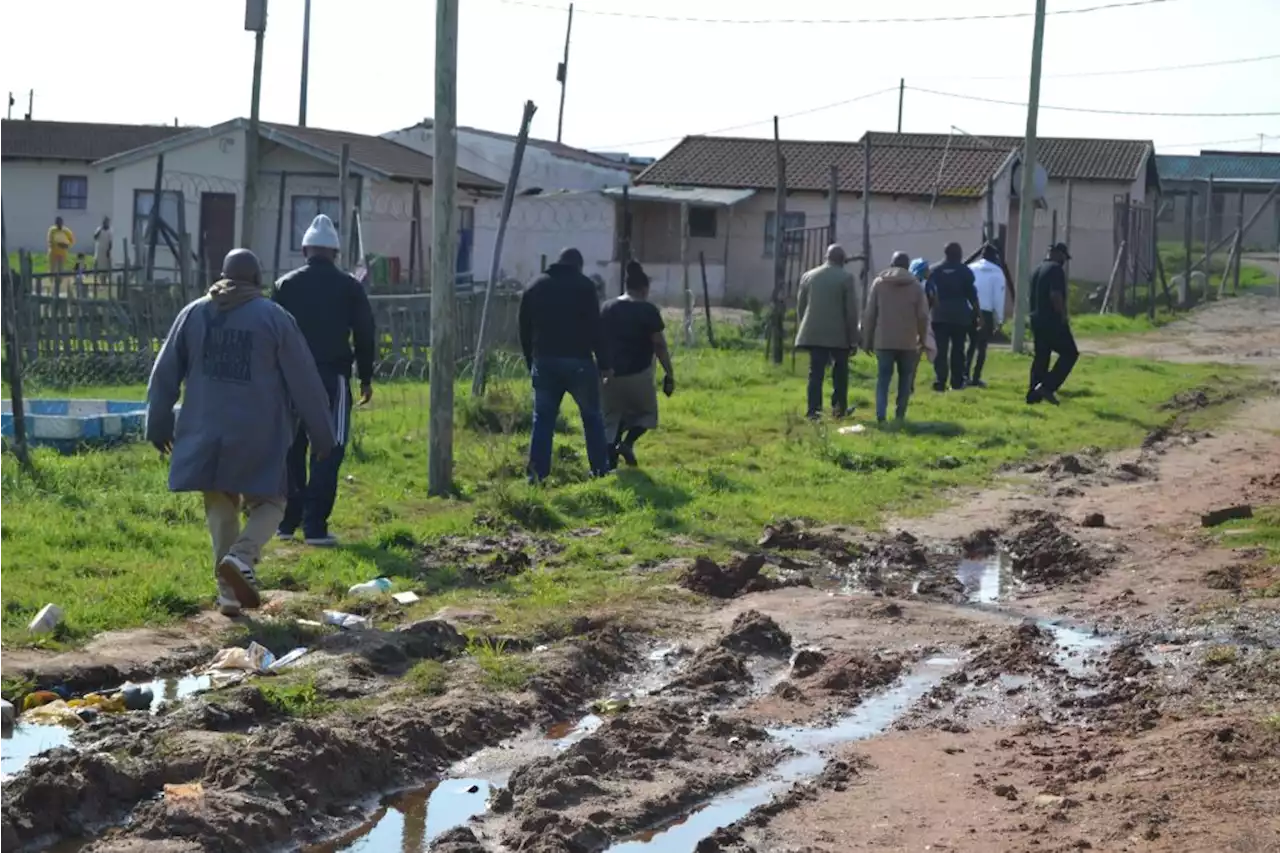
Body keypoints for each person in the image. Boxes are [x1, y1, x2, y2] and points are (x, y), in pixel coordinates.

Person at [146, 248, 336, 617]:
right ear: (257, 279)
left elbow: (164, 372)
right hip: (259, 433)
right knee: (273, 501)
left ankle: (227, 593)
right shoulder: (274, 318)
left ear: (221, 274)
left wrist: (158, 424)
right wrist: (322, 434)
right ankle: (242, 556)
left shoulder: (193, 313)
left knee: (220, 503)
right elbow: (306, 381)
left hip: (203, 431)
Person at [272, 214, 376, 547]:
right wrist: (366, 376)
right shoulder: (349, 287)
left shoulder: (285, 285)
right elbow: (364, 333)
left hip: (290, 378)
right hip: (333, 378)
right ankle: (315, 526)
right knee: (329, 447)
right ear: (335, 252)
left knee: (291, 447)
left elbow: (271, 333)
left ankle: (287, 521)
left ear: (305, 249)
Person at [520, 247, 612, 481]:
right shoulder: (585, 286)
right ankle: (600, 470)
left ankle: (536, 476)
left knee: (543, 419)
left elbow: (524, 328)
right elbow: (596, 328)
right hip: (579, 361)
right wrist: (604, 363)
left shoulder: (535, 285)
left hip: (545, 360)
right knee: (591, 417)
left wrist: (531, 360)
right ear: (578, 266)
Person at [600, 261, 675, 468]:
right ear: (644, 290)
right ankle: (627, 443)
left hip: (609, 374)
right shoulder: (647, 310)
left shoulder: (607, 307)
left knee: (611, 418)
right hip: (638, 374)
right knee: (647, 414)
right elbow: (659, 345)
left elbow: (597, 339)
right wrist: (669, 373)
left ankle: (608, 463)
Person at [863, 252, 930, 425]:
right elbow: (922, 316)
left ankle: (881, 415)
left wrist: (867, 339)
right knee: (905, 380)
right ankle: (900, 415)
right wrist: (923, 339)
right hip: (908, 341)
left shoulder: (879, 283)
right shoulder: (916, 286)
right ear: (908, 266)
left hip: (884, 340)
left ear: (891, 264)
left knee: (883, 379)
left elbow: (870, 314)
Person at [794, 244, 859, 420]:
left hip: (813, 332)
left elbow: (801, 307)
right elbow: (851, 311)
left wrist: (806, 326)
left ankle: (813, 411)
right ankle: (839, 409)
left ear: (825, 257)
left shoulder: (808, 276)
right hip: (839, 335)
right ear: (842, 261)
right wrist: (854, 339)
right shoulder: (846, 278)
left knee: (815, 373)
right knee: (840, 373)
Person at [1028, 242, 1078, 406]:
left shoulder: (1037, 269)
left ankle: (1033, 395)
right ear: (1058, 254)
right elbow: (1055, 295)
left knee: (1041, 357)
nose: (1064, 260)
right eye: (1064, 257)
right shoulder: (1056, 269)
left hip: (1036, 319)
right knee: (1070, 353)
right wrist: (1063, 315)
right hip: (1052, 320)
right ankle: (1048, 386)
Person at [926, 242, 979, 392]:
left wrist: (927, 313)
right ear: (959, 254)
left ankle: (940, 380)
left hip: (939, 315)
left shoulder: (934, 271)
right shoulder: (965, 272)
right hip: (960, 317)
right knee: (958, 350)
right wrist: (979, 314)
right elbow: (972, 296)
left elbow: (929, 294)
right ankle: (956, 381)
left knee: (941, 350)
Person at [965, 243, 1009, 388]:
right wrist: (999, 319)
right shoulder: (997, 272)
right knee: (982, 347)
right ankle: (976, 377)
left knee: (970, 344)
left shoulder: (970, 268)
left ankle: (965, 375)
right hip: (986, 312)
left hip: (969, 309)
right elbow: (998, 298)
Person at [47, 217, 74, 286]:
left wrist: (66, 245)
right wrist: (58, 244)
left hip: (62, 253)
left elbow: (71, 241)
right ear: (55, 223)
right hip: (53, 253)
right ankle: (51, 283)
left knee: (61, 270)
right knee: (52, 269)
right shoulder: (52, 230)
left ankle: (59, 284)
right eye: (58, 222)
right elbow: (50, 241)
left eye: (60, 222)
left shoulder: (66, 231)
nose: (59, 224)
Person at [93, 216, 113, 286]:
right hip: (99, 251)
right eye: (104, 222)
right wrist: (100, 229)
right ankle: (97, 282)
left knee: (105, 268)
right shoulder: (99, 229)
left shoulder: (110, 231)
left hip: (106, 251)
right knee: (98, 266)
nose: (106, 223)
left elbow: (110, 242)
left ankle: (104, 283)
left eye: (107, 222)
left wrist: (109, 251)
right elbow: (95, 237)